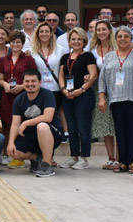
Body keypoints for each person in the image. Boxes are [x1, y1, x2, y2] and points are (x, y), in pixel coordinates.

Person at [98, 26, 133, 174]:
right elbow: (102, 78)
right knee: (119, 131)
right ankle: (122, 161)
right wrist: (101, 96)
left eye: (126, 36)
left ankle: (132, 161)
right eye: (120, 36)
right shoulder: (109, 56)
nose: (123, 39)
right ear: (115, 39)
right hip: (115, 98)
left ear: (131, 39)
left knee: (132, 130)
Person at [7, 69, 63, 178]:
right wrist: (11, 142)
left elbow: (47, 117)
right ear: (23, 83)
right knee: (14, 152)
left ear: (40, 82)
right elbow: (15, 124)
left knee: (42, 126)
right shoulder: (19, 99)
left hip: (51, 133)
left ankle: (47, 165)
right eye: (27, 81)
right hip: (31, 134)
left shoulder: (48, 94)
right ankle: (36, 158)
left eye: (33, 81)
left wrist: (26, 123)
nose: (30, 84)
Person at [58, 27, 98, 170]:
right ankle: (74, 155)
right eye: (73, 39)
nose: (76, 42)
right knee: (72, 128)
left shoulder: (88, 56)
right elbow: (61, 75)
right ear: (69, 41)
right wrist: (63, 89)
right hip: (68, 96)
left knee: (83, 127)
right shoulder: (65, 57)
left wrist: (80, 90)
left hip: (83, 96)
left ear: (84, 41)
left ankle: (84, 157)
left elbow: (93, 76)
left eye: (79, 39)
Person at [0, 31, 37, 166]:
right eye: (13, 42)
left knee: (22, 125)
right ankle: (6, 154)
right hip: (7, 96)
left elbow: (35, 77)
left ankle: (20, 156)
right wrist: (5, 84)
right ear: (9, 43)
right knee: (7, 125)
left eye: (18, 42)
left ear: (22, 43)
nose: (15, 44)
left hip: (23, 96)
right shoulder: (4, 59)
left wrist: (22, 86)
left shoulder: (28, 59)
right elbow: (0, 79)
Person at [31, 21, 68, 152]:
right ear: (37, 34)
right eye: (41, 31)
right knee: (41, 121)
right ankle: (42, 150)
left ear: (52, 33)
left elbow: (64, 70)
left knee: (53, 120)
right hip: (39, 91)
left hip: (55, 89)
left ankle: (52, 149)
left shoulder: (60, 50)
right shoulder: (32, 51)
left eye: (47, 31)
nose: (44, 34)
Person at [89, 20, 118, 170]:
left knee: (118, 124)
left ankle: (119, 159)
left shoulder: (117, 47)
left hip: (118, 89)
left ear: (109, 30)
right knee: (106, 126)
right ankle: (111, 158)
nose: (101, 32)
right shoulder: (93, 49)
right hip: (100, 90)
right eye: (98, 30)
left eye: (104, 29)